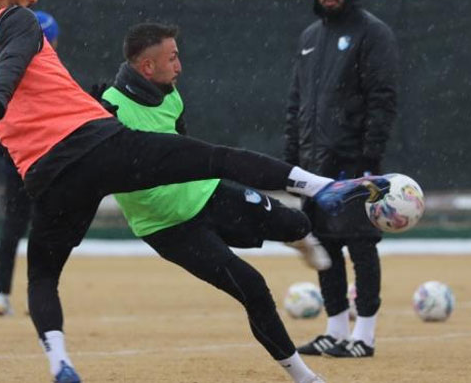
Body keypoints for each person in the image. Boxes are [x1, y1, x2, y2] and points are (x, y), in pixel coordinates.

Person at [0, 0, 388, 383]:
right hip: (98, 148)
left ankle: (60, 362)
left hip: (48, 177)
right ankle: (322, 187)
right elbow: (13, 58)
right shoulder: (18, 21)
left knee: (43, 276)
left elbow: (10, 88)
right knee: (216, 157)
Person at [91, 22, 331, 382]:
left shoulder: (170, 94)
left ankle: (300, 240)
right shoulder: (108, 112)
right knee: (252, 286)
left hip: (208, 193)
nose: (179, 65)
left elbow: (185, 150)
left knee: (298, 224)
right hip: (169, 229)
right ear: (146, 67)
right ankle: (302, 376)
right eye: (172, 58)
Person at [286, 0, 399, 359]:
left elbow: (382, 99)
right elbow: (297, 103)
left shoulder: (373, 33)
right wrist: (291, 158)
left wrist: (370, 157)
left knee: (360, 242)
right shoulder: (309, 38)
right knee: (323, 244)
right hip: (314, 164)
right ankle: (335, 330)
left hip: (354, 161)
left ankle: (364, 336)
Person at [0, 9, 59, 317]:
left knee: (13, 226)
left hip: (17, 160)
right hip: (44, 162)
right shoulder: (51, 73)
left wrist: (6, 151)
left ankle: (0, 294)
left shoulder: (7, 69)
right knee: (44, 229)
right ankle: (39, 295)